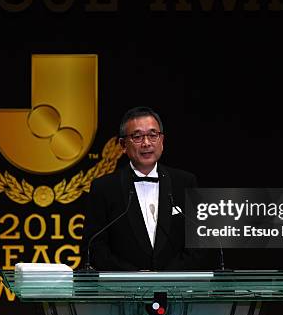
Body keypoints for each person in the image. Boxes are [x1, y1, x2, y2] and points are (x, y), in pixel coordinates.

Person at [81, 106, 215, 271]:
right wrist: (135, 277)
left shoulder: (185, 182)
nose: (146, 143)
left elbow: (199, 243)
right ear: (123, 145)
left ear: (162, 141)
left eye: (153, 135)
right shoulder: (104, 187)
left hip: (177, 289)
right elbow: (95, 247)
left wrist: (165, 278)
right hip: (125, 291)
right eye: (137, 137)